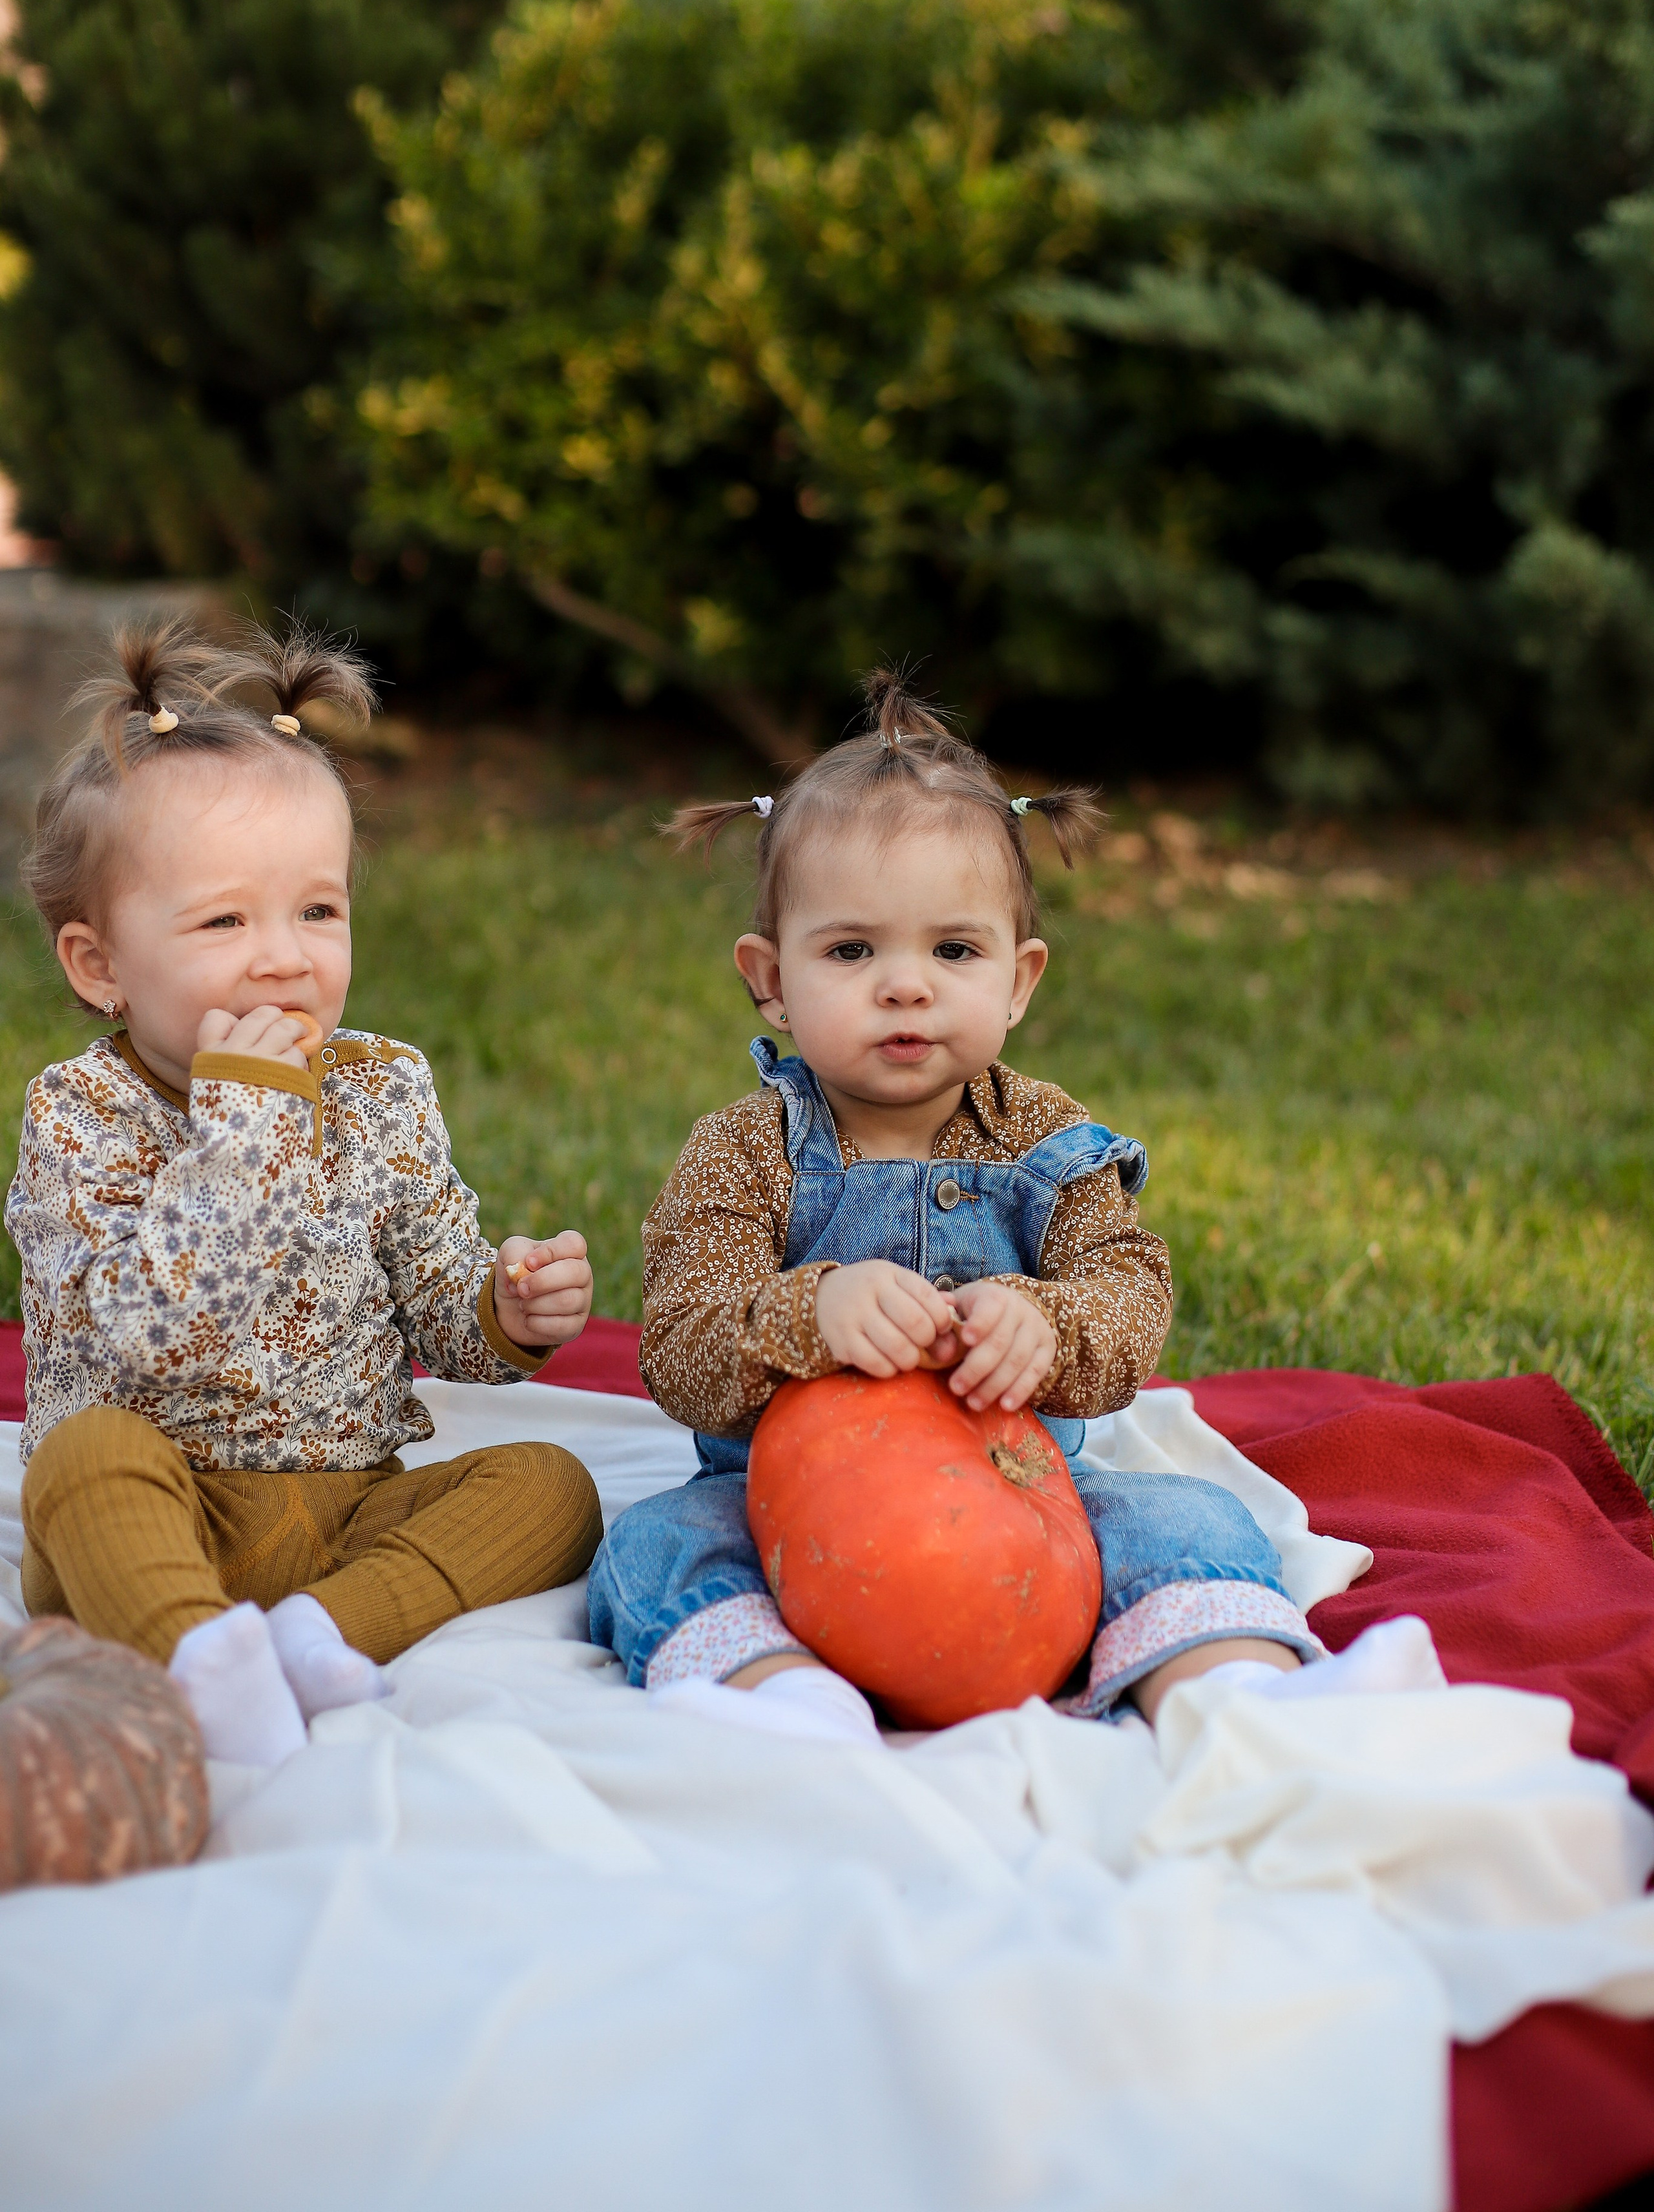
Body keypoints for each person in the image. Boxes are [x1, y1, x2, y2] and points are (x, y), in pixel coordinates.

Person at [589, 673, 1442, 1747]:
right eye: (852, 950)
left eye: (954, 950)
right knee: (655, 1549)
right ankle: (786, 1703)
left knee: (1185, 1519)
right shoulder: (743, 1151)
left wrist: (1050, 1324)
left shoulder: (1045, 1138)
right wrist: (808, 1312)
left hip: (1026, 1489)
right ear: (770, 979)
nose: (906, 985)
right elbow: (676, 1342)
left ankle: (1237, 1696)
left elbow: (1129, 1290)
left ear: (1020, 979)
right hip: (788, 1503)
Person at [6, 620, 602, 1767]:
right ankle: (193, 1655)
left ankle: (320, 1634)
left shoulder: (382, 1086)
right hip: (161, 1503)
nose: (284, 956)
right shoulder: (78, 1114)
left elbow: (433, 1299)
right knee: (84, 1464)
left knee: (553, 1487)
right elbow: (140, 1340)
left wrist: (503, 1308)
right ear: (101, 967)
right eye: (225, 920)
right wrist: (250, 1114)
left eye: (316, 911)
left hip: (348, 1507)